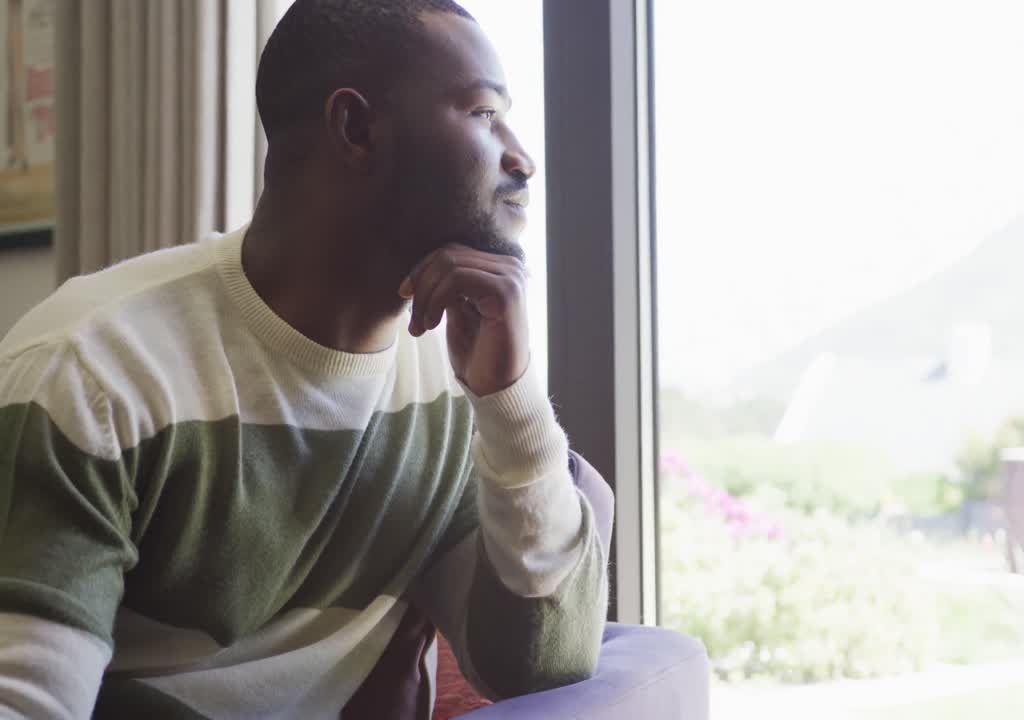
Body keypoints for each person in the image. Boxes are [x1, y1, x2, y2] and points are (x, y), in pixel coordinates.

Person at [0, 1, 608, 717]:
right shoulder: (97, 371)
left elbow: (543, 668)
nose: (521, 156)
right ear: (354, 127)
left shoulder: (451, 386)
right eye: (481, 113)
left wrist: (515, 402)